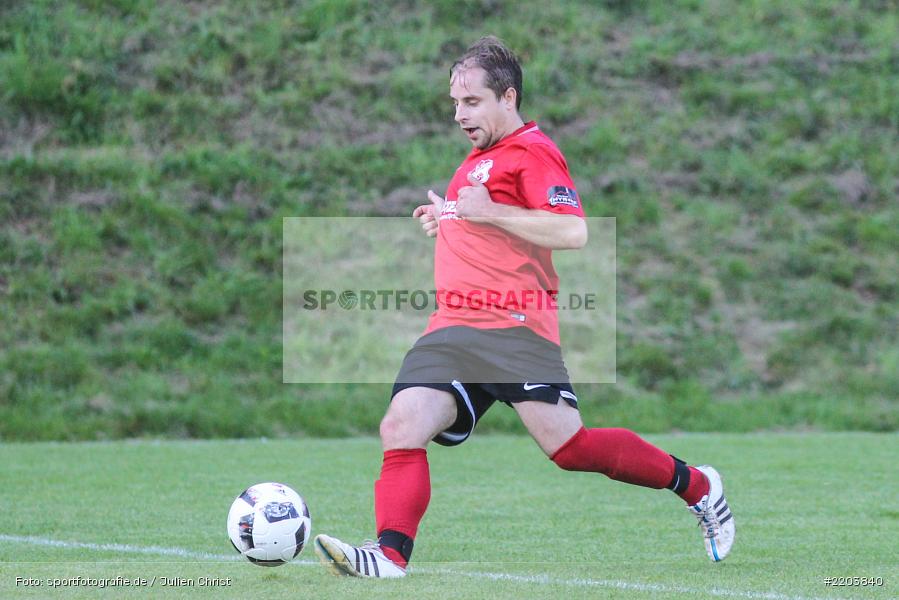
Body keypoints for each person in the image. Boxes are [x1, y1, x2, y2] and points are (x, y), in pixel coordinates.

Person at [314, 36, 735, 578]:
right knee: (401, 425)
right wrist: (449, 219)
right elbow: (488, 220)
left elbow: (572, 230)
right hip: (453, 328)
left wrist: (487, 213)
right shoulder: (478, 158)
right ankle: (391, 556)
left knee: (572, 449)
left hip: (515, 329)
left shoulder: (533, 152)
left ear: (507, 98)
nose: (459, 114)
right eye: (454, 103)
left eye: (472, 102)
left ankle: (698, 485)